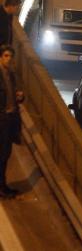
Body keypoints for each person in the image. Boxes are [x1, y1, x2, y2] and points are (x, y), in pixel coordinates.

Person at [0, 45, 23, 198]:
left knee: (6, 153)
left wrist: (20, 96)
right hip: (1, 119)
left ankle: (3, 185)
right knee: (1, 154)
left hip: (10, 118)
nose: (9, 59)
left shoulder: (11, 75)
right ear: (1, 57)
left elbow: (12, 94)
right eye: (6, 56)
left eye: (11, 57)